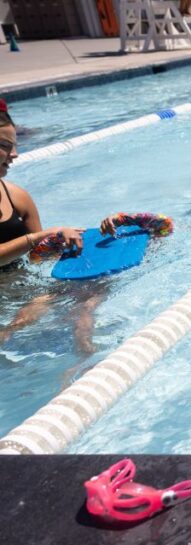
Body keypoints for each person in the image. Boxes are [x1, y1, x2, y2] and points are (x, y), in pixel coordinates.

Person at [0, 100, 109, 355]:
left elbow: (40, 257)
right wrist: (41, 236)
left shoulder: (18, 198)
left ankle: (85, 356)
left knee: (91, 292)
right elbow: (35, 241)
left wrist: (103, 233)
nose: (14, 154)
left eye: (15, 146)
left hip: (21, 290)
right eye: (5, 146)